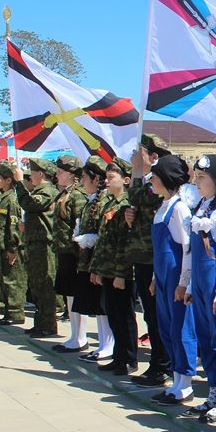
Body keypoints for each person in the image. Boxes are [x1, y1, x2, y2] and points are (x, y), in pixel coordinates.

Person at [184, 155, 216, 423]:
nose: (197, 182)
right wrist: (191, 285)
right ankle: (213, 390)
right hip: (201, 284)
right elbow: (193, 253)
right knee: (205, 339)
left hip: (214, 283)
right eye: (196, 177)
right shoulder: (201, 207)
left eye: (202, 177)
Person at [147, 155, 196, 406]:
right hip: (163, 276)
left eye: (155, 176)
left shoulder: (179, 208)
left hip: (175, 275)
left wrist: (184, 282)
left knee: (181, 329)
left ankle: (185, 384)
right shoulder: (162, 206)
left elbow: (188, 248)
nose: (151, 180)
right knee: (167, 329)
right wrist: (155, 278)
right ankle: (176, 381)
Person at [127, 135, 173, 389]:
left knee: (157, 315)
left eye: (140, 153)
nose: (134, 156)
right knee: (150, 316)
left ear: (154, 157)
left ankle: (164, 365)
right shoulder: (148, 182)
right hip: (143, 256)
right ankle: (157, 363)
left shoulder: (159, 183)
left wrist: (136, 170)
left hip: (154, 258)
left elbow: (136, 196)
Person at [90, 158, 138, 376]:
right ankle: (118, 356)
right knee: (113, 315)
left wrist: (121, 274)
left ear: (126, 180)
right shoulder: (110, 203)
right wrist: (97, 269)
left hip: (121, 272)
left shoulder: (126, 206)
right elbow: (103, 240)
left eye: (111, 177)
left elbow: (125, 243)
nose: (107, 181)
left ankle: (129, 358)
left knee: (124, 315)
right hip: (108, 269)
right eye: (106, 177)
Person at [73, 157, 115, 363]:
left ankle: (109, 345)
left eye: (84, 177)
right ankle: (103, 345)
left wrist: (90, 238)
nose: (82, 181)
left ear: (96, 179)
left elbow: (106, 233)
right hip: (91, 260)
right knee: (97, 306)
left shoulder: (105, 201)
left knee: (103, 305)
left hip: (103, 261)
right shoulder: (92, 200)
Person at [14, 158, 60, 338]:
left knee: (44, 285)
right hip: (35, 243)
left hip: (44, 245)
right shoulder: (39, 191)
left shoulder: (47, 191)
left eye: (32, 173)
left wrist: (19, 183)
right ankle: (40, 322)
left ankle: (48, 324)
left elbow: (30, 204)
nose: (30, 176)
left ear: (40, 173)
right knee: (36, 285)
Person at [50, 156, 89, 353]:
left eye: (61, 172)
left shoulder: (77, 195)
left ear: (72, 175)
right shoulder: (65, 193)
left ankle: (81, 337)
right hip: (64, 250)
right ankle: (74, 335)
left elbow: (80, 224)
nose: (57, 175)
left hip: (74, 252)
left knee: (76, 294)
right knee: (69, 295)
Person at [0, 163, 27, 327]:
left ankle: (15, 312)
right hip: (3, 246)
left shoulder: (12, 199)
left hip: (10, 248)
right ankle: (8, 310)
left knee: (13, 281)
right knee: (5, 280)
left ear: (8, 180)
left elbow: (13, 226)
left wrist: (13, 248)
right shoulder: (3, 197)